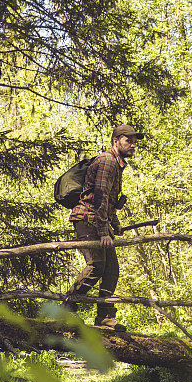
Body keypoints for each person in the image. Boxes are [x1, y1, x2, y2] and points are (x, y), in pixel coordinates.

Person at [63, 124, 144, 331]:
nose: (133, 145)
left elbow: (108, 200)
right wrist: (102, 232)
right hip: (87, 220)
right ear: (116, 141)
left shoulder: (116, 164)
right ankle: (67, 312)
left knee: (111, 270)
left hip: (98, 220)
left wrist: (114, 224)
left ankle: (104, 317)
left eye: (135, 141)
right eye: (129, 141)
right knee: (96, 266)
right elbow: (98, 197)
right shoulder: (107, 161)